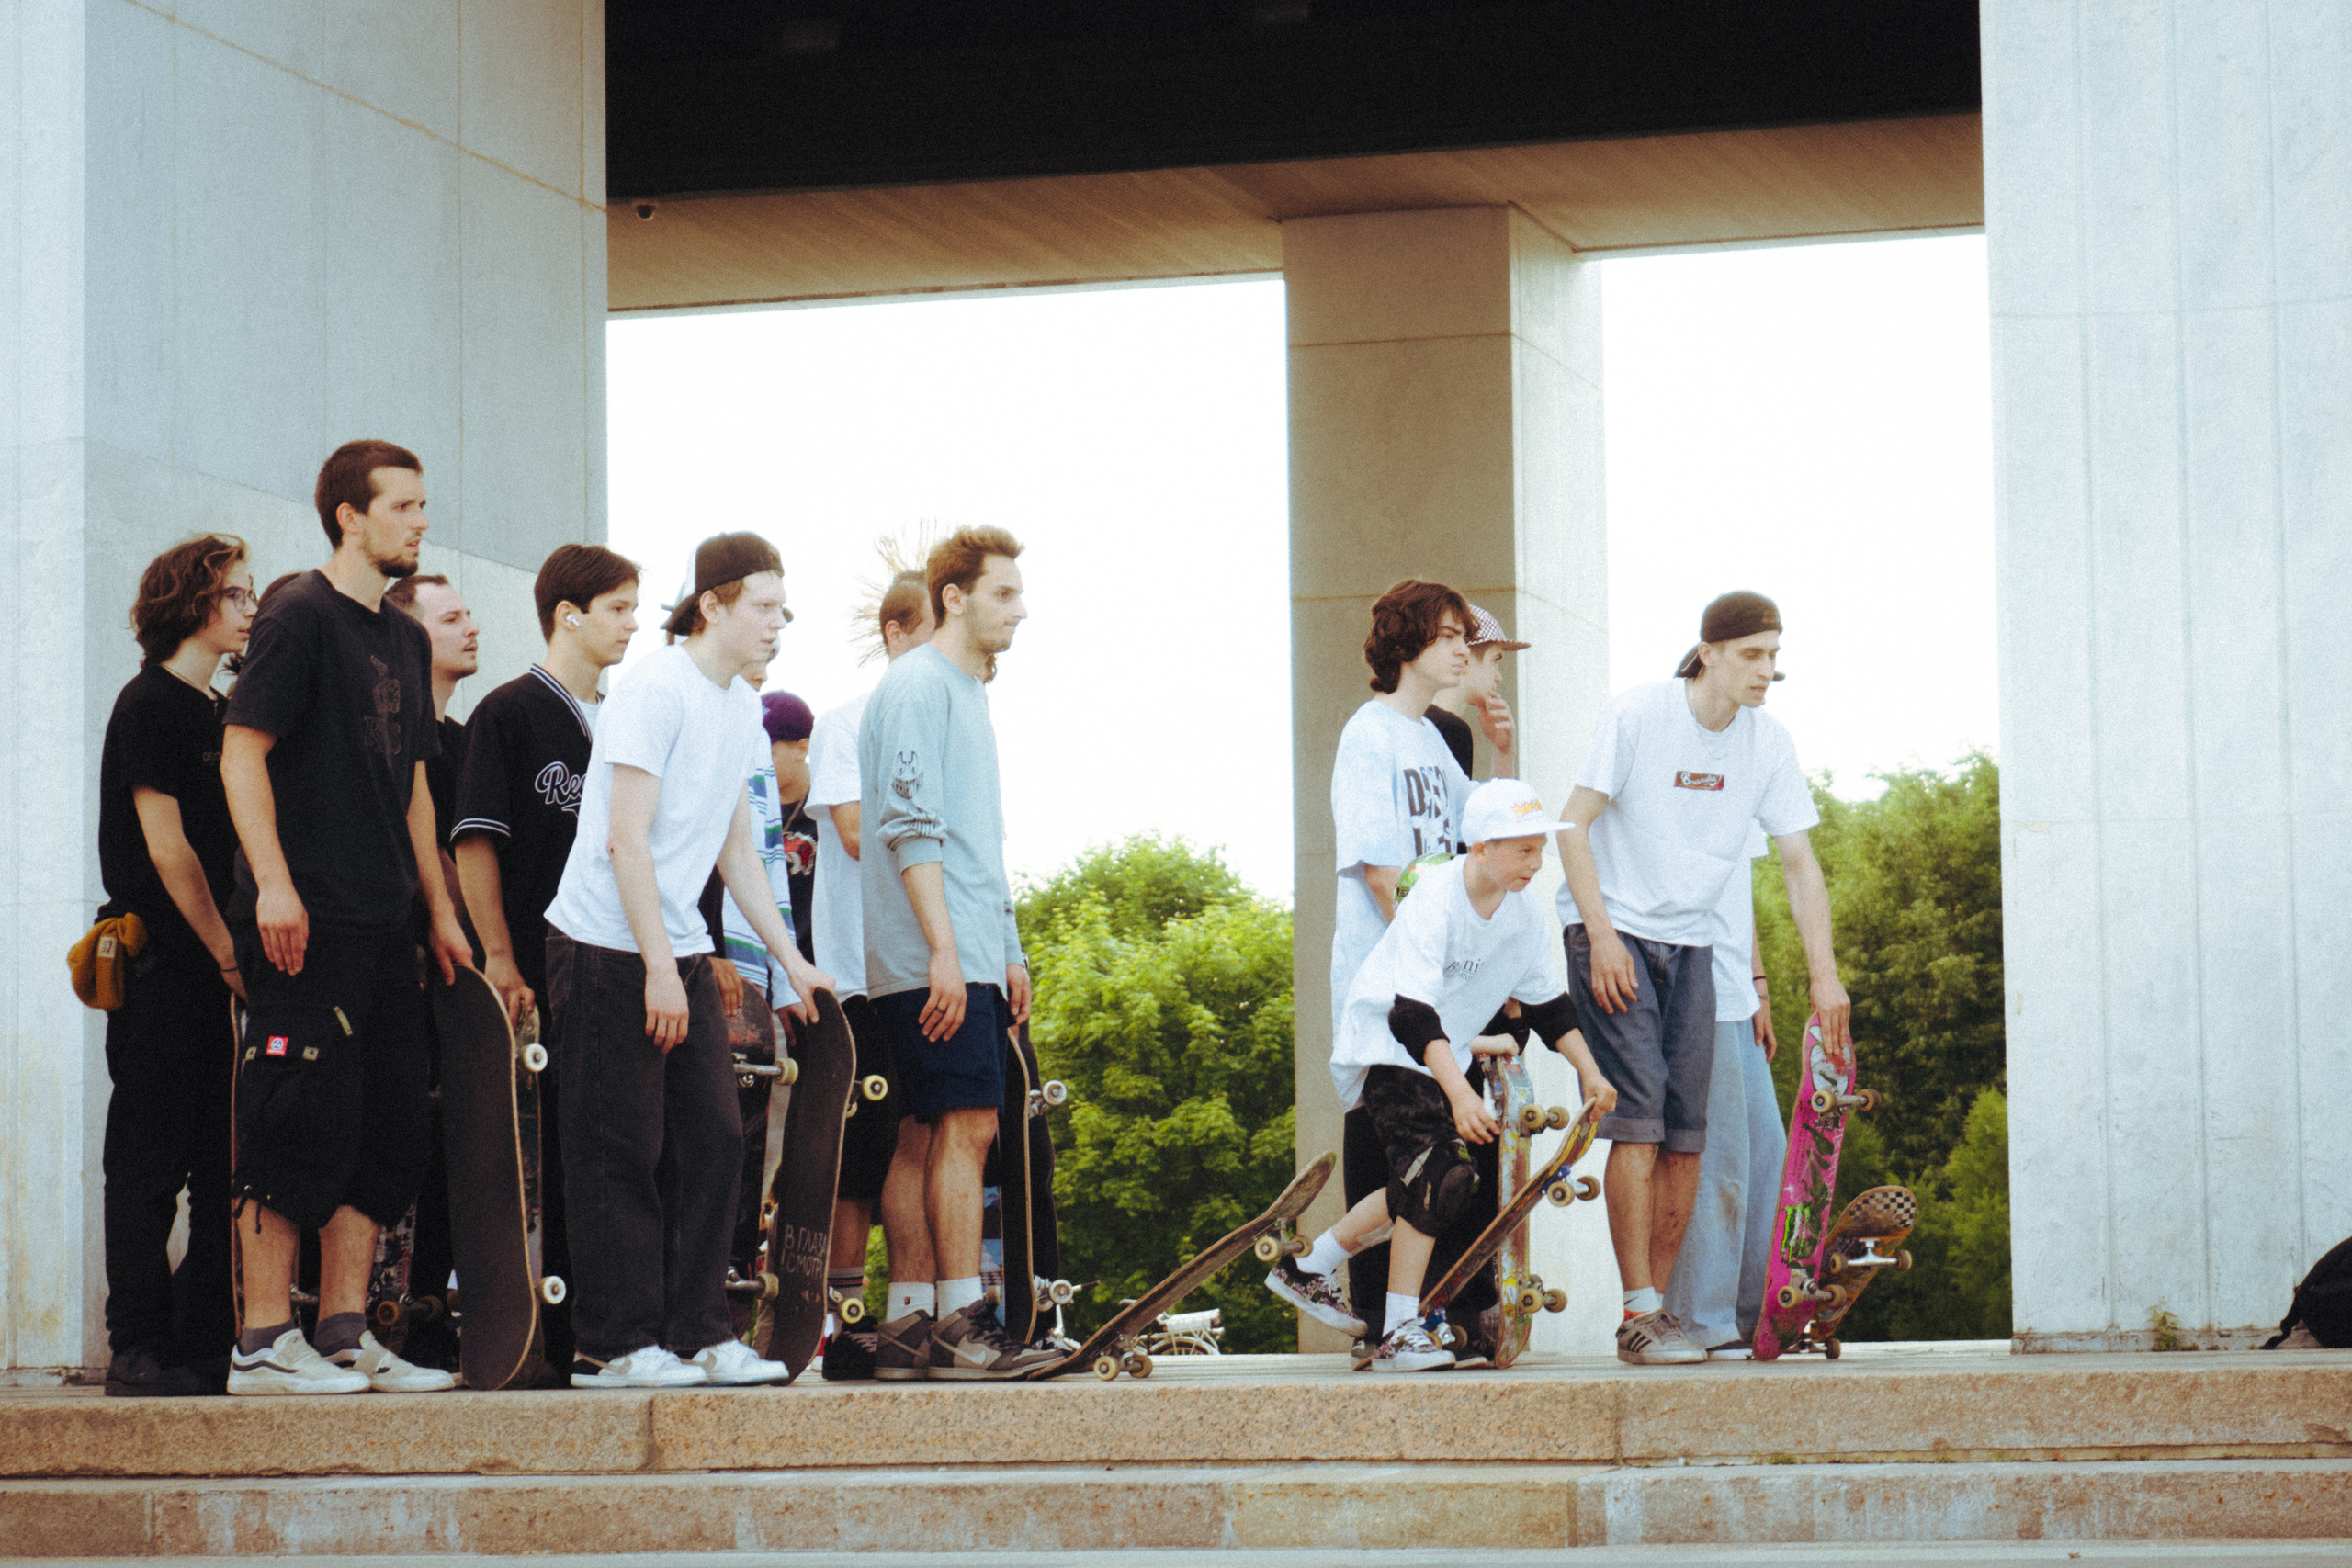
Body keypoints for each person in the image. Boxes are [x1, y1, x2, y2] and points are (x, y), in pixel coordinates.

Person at [541, 532, 831, 1389]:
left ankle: (702, 1331)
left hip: (677, 945)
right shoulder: (653, 690)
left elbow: (734, 849)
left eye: (785, 608)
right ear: (713, 605)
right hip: (603, 944)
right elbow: (624, 838)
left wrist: (792, 959)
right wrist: (660, 969)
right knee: (619, 1146)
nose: (781, 623)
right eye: (766, 607)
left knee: (713, 1139)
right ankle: (615, 1344)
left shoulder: (742, 706)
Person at [219, 439, 467, 1395]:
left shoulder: (403, 637)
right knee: (293, 1118)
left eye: (422, 503)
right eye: (403, 505)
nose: (420, 519)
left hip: (384, 922)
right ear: (349, 517)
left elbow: (411, 785)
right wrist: (273, 883)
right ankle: (260, 1343)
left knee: (385, 1124)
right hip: (300, 918)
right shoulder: (296, 615)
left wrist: (438, 909)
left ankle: (341, 1334)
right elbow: (244, 752)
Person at [1555, 590, 1848, 1366]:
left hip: (1693, 946)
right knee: (1643, 1117)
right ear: (1709, 652)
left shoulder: (1768, 743)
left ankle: (1672, 1314)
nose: (1768, 671)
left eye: (1775, 656)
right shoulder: (1640, 715)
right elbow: (1571, 824)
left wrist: (1825, 976)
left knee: (1689, 1133)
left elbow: (1799, 861)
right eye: (1754, 654)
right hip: (1614, 931)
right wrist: (1603, 935)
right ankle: (1639, 1310)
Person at [1270, 780, 1617, 1371]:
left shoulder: (1525, 915)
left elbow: (1547, 1004)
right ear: (1480, 847)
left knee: (1433, 1183)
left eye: (1539, 850)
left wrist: (1590, 1072)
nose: (1535, 864)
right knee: (1440, 1173)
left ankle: (1308, 1265)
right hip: (1385, 1045)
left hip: (1437, 1050)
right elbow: (1410, 1013)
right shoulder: (1435, 898)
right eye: (1522, 851)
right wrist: (1459, 1093)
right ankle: (1398, 1329)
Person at [860, 525, 1048, 1380]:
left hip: (968, 947)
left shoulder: (967, 694)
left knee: (921, 1130)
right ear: (954, 598)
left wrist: (1005, 948)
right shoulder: (917, 687)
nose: (1020, 608)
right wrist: (945, 950)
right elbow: (908, 827)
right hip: (935, 956)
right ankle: (965, 1322)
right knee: (967, 1127)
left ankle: (910, 1324)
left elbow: (983, 843)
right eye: (1003, 593)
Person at [452, 543, 640, 1380]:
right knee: (544, 1154)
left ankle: (617, 1331)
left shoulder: (634, 715)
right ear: (569, 613)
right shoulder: (510, 712)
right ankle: (541, 1340)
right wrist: (499, 954)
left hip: (623, 967)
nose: (635, 625)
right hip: (537, 967)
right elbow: (477, 845)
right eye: (620, 609)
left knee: (617, 1144)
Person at [94, 535, 258, 1396]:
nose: (250, 608)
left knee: (214, 1160)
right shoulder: (149, 703)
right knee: (150, 1161)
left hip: (214, 975)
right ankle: (138, 1342)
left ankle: (202, 1342)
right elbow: (168, 849)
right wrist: (227, 949)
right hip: (165, 966)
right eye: (237, 594)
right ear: (195, 601)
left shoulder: (222, 709)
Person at [1329, 581, 1515, 1339]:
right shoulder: (1369, 733)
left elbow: (1488, 839)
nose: (1463, 650)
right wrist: (1431, 977)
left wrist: (1501, 751)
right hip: (1394, 983)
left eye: (1464, 636)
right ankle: (1378, 1314)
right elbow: (1382, 873)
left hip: (1437, 985)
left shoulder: (1434, 739)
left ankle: (1441, 1311)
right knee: (1393, 1147)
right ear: (1407, 643)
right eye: (1447, 635)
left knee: (1446, 1152)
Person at [804, 558, 934, 1379]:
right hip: (859, 974)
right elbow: (856, 832)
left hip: (931, 973)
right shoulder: (847, 720)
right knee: (857, 1156)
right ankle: (842, 1324)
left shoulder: (955, 720)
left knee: (922, 1142)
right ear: (895, 632)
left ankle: (913, 1317)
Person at [379, 571, 479, 1374]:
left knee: (454, 1149)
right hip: (398, 966)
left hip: (462, 980)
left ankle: (435, 1311)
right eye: (452, 618)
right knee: (396, 1145)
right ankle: (381, 1315)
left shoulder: (470, 736)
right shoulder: (393, 730)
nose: (471, 628)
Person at [1661, 827, 1785, 1358]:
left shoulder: (1744, 779)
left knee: (1770, 1153)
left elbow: (1741, 893)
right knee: (1717, 1159)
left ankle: (1759, 1314)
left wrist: (1758, 984)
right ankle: (1701, 1318)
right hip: (1691, 982)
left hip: (1737, 989)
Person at [1424, 604, 1527, 779]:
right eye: (1495, 660)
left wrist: (1503, 750)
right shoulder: (1452, 729)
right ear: (1465, 658)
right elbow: (1463, 808)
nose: (1498, 677)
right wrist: (1505, 752)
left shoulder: (1416, 717)